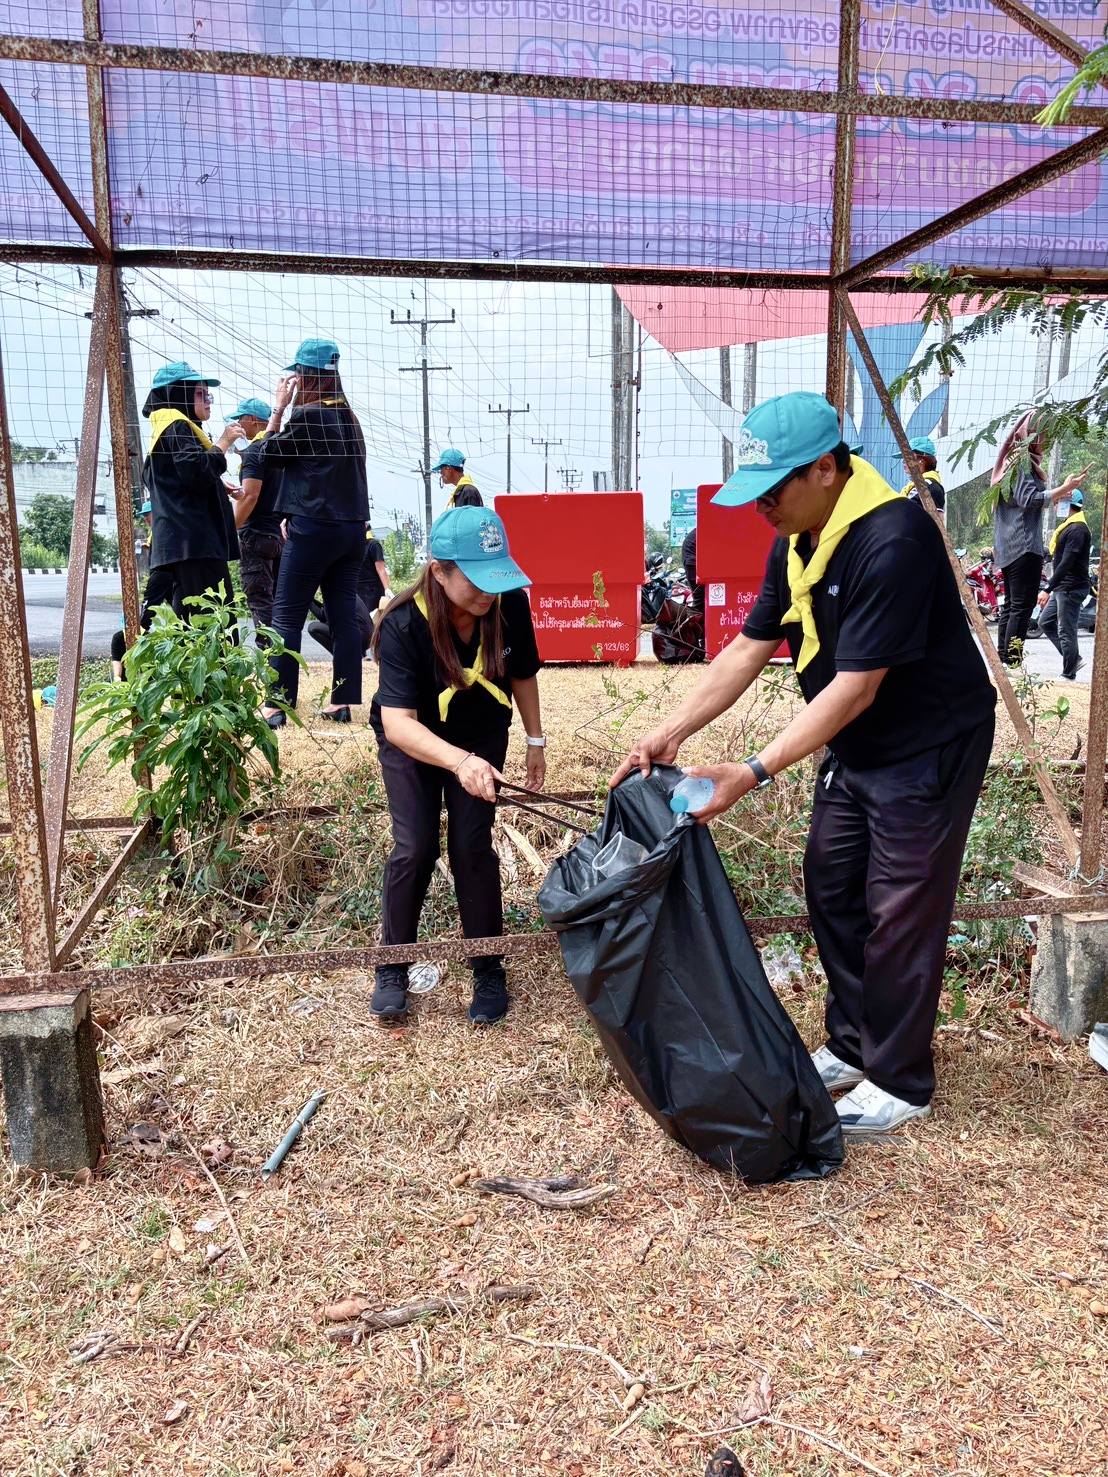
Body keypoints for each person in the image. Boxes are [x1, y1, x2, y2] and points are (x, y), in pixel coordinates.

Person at [611, 391, 997, 1136]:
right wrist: (673, 730)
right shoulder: (800, 538)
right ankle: (854, 1043)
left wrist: (751, 771)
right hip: (857, 744)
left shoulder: (893, 539)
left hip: (926, 745)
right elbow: (749, 647)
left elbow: (855, 686)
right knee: (830, 881)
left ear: (825, 469)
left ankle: (899, 1077)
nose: (761, 508)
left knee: (899, 907)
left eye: (772, 490)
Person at [369, 505, 544, 1027]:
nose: (489, 591)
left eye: (497, 576)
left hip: (481, 729)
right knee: (416, 844)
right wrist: (458, 761)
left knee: (471, 844)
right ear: (439, 570)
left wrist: (535, 740)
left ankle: (487, 965)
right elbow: (398, 724)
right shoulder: (401, 624)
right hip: (415, 740)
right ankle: (392, 964)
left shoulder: (508, 603)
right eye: (476, 578)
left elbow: (523, 674)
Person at [258, 339, 370, 728]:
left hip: (314, 529)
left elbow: (265, 456)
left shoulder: (308, 417)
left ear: (305, 376)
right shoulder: (350, 419)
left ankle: (276, 705)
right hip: (353, 531)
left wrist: (278, 409)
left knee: (285, 615)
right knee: (342, 616)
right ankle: (341, 702)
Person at [142, 362, 244, 614]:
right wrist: (223, 442)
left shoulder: (166, 429)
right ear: (178, 394)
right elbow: (196, 472)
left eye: (208, 394)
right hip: (194, 546)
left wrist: (217, 487)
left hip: (180, 544)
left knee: (188, 624)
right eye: (200, 393)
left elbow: (181, 482)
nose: (208, 400)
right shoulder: (177, 426)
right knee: (214, 624)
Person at [992, 412, 1087, 666]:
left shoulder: (1013, 462)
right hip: (1023, 546)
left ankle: (1005, 660)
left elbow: (1029, 500)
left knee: (1013, 605)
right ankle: (1011, 662)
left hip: (1009, 546)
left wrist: (1059, 492)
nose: (1046, 439)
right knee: (1021, 608)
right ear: (1030, 434)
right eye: (1042, 433)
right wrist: (1066, 489)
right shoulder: (1021, 461)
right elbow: (1031, 500)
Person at [229, 396, 283, 641]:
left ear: (252, 420)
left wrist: (229, 530)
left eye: (240, 420)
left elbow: (249, 497)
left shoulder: (253, 453)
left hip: (256, 536)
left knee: (260, 601)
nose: (239, 425)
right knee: (278, 601)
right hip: (279, 537)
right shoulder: (280, 452)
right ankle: (283, 659)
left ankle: (270, 661)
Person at [111, 501, 177, 679]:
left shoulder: (161, 527)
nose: (146, 519)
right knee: (179, 612)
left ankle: (134, 665)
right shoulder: (158, 529)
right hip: (170, 575)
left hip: (162, 574)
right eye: (145, 517)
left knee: (146, 617)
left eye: (148, 515)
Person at [1038, 486, 1091, 681]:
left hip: (1070, 587)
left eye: (1059, 501)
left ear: (1068, 504)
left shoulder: (1077, 529)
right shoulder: (1068, 526)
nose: (1056, 505)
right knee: (1045, 622)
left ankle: (1069, 672)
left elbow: (1067, 563)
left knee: (1066, 629)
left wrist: (1047, 588)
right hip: (1062, 587)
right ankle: (1073, 658)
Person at [899, 435, 946, 520]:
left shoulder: (930, 487)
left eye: (907, 458)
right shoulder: (914, 487)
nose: (904, 464)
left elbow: (938, 523)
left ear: (921, 461)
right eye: (903, 459)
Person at [358, 525, 392, 641]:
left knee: (374, 622)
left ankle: (376, 649)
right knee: (360, 622)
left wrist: (387, 589)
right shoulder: (353, 545)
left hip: (372, 591)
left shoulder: (373, 545)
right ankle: (362, 651)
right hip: (357, 590)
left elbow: (381, 569)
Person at [681, 524, 704, 612]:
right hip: (693, 566)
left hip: (692, 565)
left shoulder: (698, 533)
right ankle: (695, 624)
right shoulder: (703, 533)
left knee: (700, 600)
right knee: (700, 601)